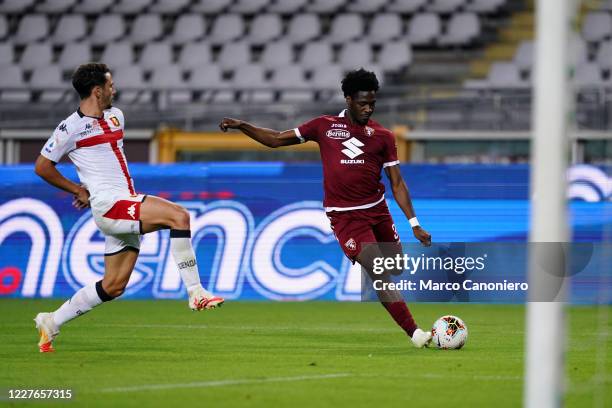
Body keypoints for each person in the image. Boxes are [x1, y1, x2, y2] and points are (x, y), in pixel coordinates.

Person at [219, 68, 433, 348]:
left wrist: (414, 224)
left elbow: (397, 183)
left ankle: (400, 308)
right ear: (347, 99)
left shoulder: (383, 136)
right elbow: (275, 139)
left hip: (378, 210)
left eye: (372, 103)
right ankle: (416, 334)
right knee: (379, 270)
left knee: (397, 266)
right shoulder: (324, 126)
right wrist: (242, 125)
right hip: (345, 217)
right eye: (362, 103)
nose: (368, 108)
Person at [33, 63, 223, 353]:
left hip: (125, 203)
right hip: (110, 206)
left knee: (113, 286)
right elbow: (42, 167)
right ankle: (196, 292)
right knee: (179, 216)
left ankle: (51, 321)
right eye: (110, 85)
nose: (114, 89)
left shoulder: (115, 117)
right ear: (97, 91)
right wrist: (78, 189)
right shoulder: (69, 129)